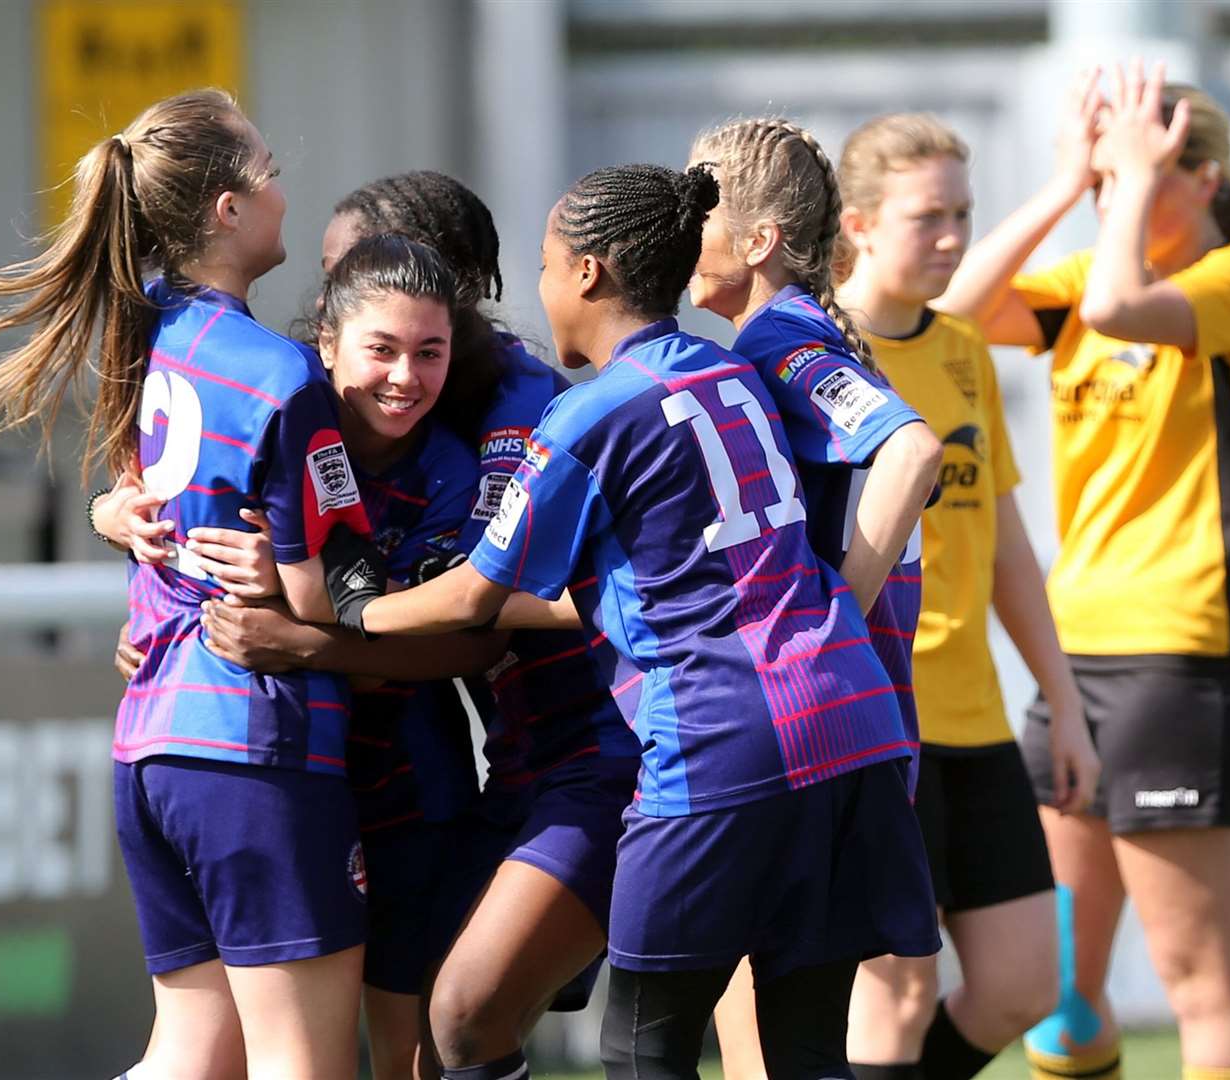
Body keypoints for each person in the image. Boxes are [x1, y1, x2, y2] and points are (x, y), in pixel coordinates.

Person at [323, 162, 941, 1080]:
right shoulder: (736, 366)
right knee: (807, 1050)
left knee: (640, 1050)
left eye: (543, 263)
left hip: (718, 741)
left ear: (584, 274)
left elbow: (474, 598)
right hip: (854, 727)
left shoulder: (587, 413)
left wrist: (356, 610)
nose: (535, 289)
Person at [132, 170, 641, 1080]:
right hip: (300, 757)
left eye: (426, 347)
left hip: (521, 758)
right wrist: (121, 521)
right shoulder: (296, 399)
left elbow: (473, 618)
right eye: (338, 279)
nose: (402, 372)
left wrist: (303, 630)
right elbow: (182, 491)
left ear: (441, 294)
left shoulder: (499, 423)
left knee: (442, 1027)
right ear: (334, 330)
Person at [0, 89, 371, 1079]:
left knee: (192, 1055)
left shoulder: (143, 329)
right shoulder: (283, 375)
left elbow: (137, 499)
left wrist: (106, 518)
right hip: (256, 749)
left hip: (152, 749)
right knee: (305, 1063)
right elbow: (337, 596)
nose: (286, 192)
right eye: (269, 171)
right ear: (227, 211)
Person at [934, 64, 1230, 1080]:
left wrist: (1129, 177)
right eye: (1102, 184)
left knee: (1200, 975)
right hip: (1074, 658)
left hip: (1182, 663)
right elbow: (951, 316)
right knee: (1057, 983)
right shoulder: (1086, 271)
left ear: (1203, 176)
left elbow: (1120, 301)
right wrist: (1063, 182)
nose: (1108, 197)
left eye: (1128, 178)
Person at [828, 111, 1102, 1080]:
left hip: (978, 721)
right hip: (872, 721)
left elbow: (1006, 547)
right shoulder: (813, 356)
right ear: (856, 224)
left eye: (962, 214)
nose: (951, 237)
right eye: (927, 216)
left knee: (1027, 984)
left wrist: (1062, 704)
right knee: (894, 988)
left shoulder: (962, 350)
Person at [677, 117, 944, 1079]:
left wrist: (832, 612)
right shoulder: (788, 333)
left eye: (697, 204)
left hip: (809, 732)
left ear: (756, 241)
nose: (678, 222)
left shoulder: (781, 337)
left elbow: (909, 450)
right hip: (837, 734)